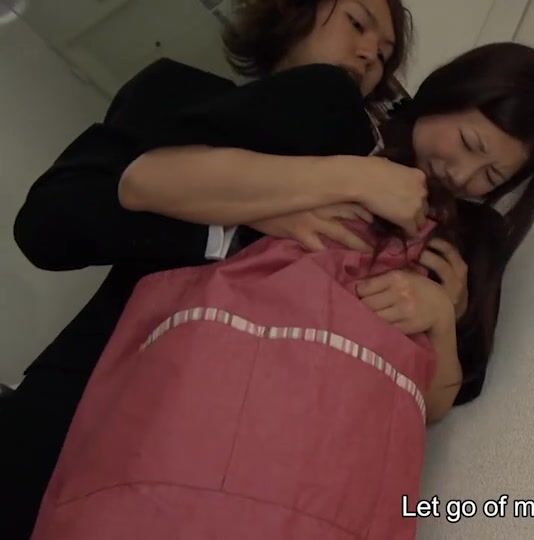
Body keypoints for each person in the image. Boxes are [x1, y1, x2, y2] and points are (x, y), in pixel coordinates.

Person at [30, 42, 534, 539]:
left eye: (491, 176)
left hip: (332, 466)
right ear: (446, 95)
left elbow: (435, 398)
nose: (464, 175)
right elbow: (136, 185)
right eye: (469, 144)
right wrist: (328, 189)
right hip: (204, 413)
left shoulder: (474, 243)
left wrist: (444, 320)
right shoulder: (336, 126)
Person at [2, 1, 414, 537]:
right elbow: (49, 222)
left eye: (384, 56)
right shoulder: (180, 90)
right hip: (86, 396)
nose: (368, 55)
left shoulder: (376, 175)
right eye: (357, 23)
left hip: (242, 447)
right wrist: (235, 213)